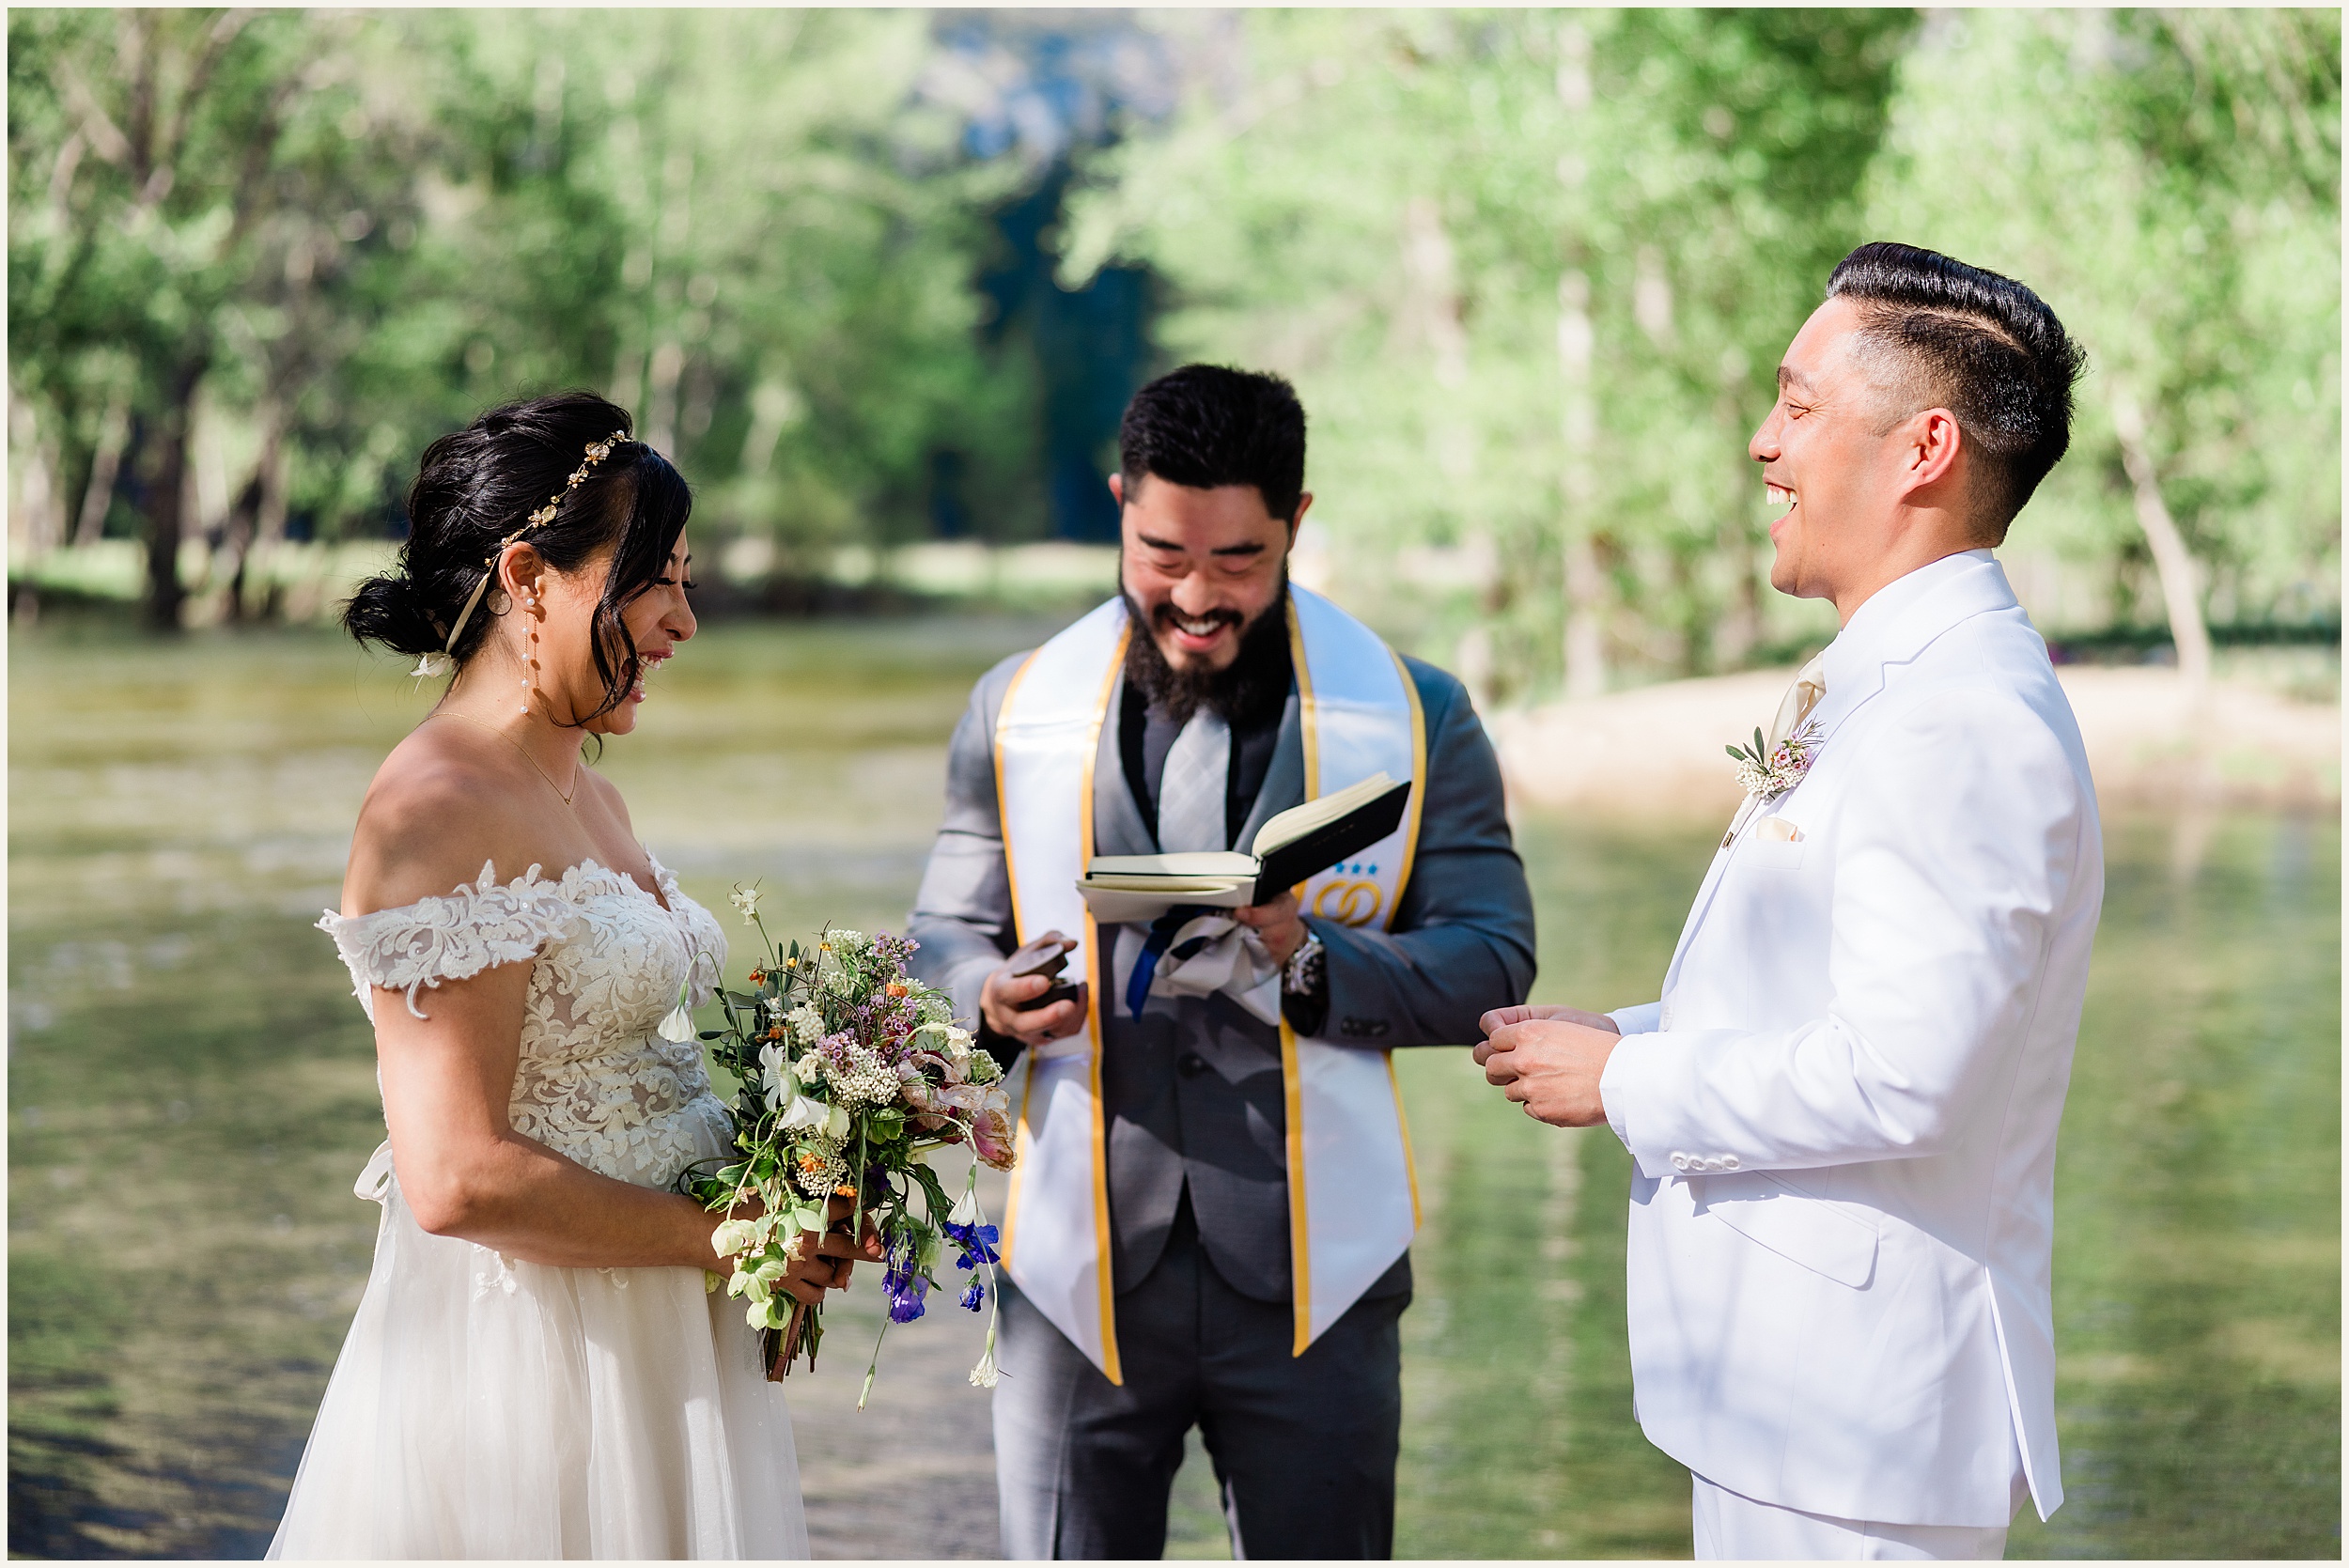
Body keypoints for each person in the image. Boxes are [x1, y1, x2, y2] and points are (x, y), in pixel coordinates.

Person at [1475, 242, 2100, 1560]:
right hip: (1797, 1407)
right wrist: (1625, 1035)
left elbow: (1907, 1074)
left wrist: (1628, 1086)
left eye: (1800, 405)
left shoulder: (1961, 718)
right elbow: (1818, 993)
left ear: (1924, 447)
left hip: (1863, 1429)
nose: (1765, 444)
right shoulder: (1880, 676)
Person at [909, 365, 1535, 1559]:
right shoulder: (1013, 706)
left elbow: (1494, 961)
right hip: (1075, 1274)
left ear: (1299, 520)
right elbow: (941, 931)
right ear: (1118, 502)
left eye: (1239, 561)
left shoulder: (1418, 713)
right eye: (1162, 554)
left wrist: (1313, 953)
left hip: (1321, 1281)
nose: (1195, 596)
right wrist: (980, 1000)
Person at [269, 393, 855, 1559]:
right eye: (657, 579)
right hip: (537, 1360)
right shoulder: (434, 809)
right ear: (532, 575)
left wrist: (807, 1171)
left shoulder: (593, 792)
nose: (685, 622)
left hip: (661, 1329)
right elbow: (454, 1178)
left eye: (686, 580)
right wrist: (727, 1233)